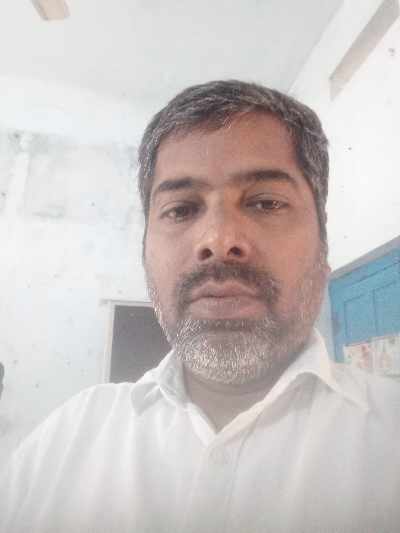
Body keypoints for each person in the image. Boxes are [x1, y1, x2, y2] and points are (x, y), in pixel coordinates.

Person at [1, 80, 399, 533]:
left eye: (266, 202)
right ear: (145, 251)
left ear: (324, 247)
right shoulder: (61, 446)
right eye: (181, 209)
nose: (218, 240)